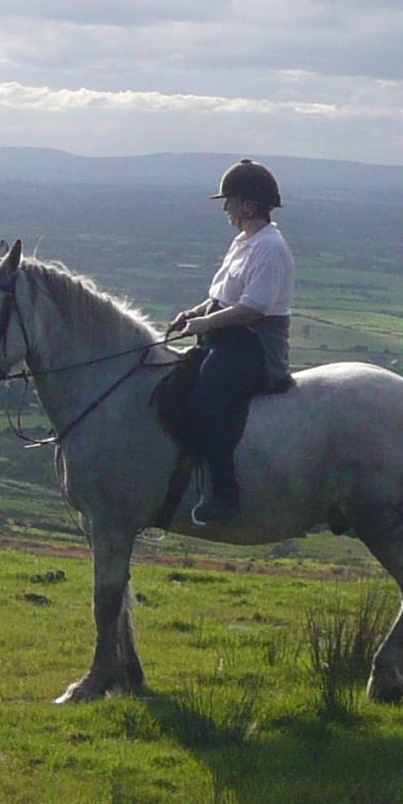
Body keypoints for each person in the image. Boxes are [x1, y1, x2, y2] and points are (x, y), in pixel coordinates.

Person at [165, 158, 295, 528]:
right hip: (226, 339)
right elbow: (223, 295)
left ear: (249, 206)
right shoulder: (244, 242)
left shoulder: (269, 247)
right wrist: (193, 314)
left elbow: (253, 309)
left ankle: (226, 495)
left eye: (230, 202)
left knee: (206, 400)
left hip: (253, 347)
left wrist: (204, 323)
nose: (226, 209)